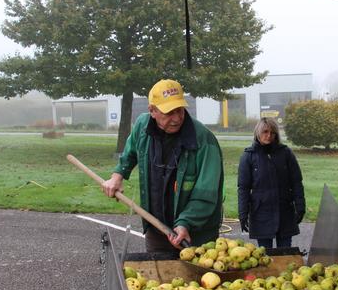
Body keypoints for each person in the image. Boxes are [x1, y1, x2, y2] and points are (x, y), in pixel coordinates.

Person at [102, 79, 224, 251]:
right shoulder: (142, 127)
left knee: (196, 277)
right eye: (169, 112)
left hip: (196, 235)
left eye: (180, 110)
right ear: (152, 110)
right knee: (157, 275)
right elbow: (130, 153)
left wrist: (185, 223)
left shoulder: (204, 141)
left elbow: (206, 193)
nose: (177, 118)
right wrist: (117, 177)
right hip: (156, 229)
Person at [237, 117, 305, 249]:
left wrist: (300, 205)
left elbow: (296, 182)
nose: (269, 136)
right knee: (265, 256)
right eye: (265, 132)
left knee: (285, 254)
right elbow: (243, 188)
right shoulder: (249, 156)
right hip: (261, 212)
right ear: (258, 132)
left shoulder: (286, 153)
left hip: (284, 211)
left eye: (272, 133)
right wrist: (243, 213)